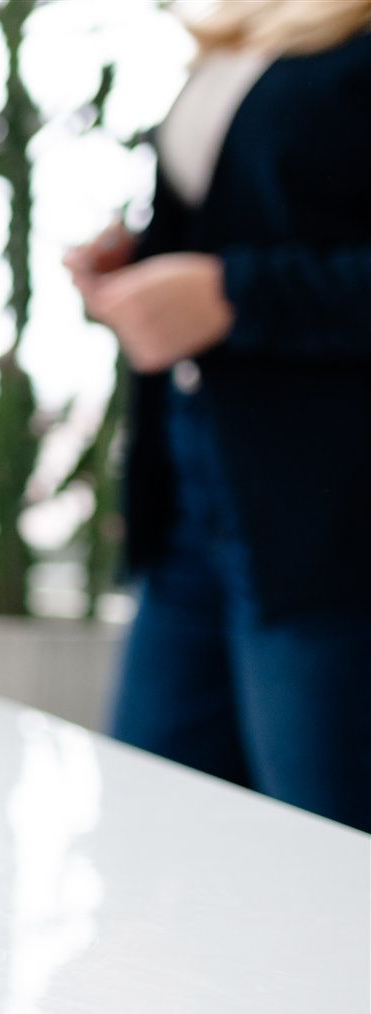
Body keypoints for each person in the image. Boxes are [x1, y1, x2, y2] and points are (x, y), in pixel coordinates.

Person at [69, 0, 371, 832]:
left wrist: (233, 294)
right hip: (196, 485)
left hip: (323, 512)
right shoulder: (256, 24)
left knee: (326, 856)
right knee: (147, 838)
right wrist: (140, 264)